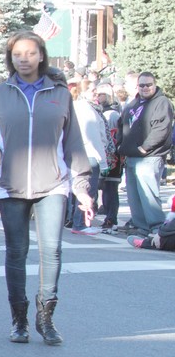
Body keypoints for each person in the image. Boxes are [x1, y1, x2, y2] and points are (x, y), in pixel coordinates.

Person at [0, 31, 94, 346]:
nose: (24, 58)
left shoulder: (59, 93)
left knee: (51, 250)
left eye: (30, 53)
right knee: (16, 252)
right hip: (10, 184)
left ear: (41, 55)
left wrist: (81, 186)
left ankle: (46, 317)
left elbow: (74, 142)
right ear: (10, 58)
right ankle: (19, 319)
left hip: (52, 184)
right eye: (17, 54)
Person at [116, 71, 175, 236]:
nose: (145, 88)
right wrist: (121, 146)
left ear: (154, 85)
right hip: (131, 156)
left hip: (150, 156)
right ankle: (142, 227)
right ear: (137, 86)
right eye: (142, 85)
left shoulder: (162, 102)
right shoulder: (133, 104)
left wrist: (145, 147)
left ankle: (157, 228)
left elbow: (162, 129)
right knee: (134, 196)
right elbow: (122, 126)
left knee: (148, 194)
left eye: (149, 84)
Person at [69, 81, 108, 235]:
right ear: (82, 91)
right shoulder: (86, 109)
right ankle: (81, 223)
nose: (96, 93)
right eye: (92, 90)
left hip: (77, 153)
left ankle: (74, 220)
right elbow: (94, 137)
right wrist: (103, 161)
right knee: (86, 190)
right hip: (89, 154)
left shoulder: (74, 106)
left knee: (77, 190)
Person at [96, 84, 123, 231]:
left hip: (113, 156)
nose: (98, 97)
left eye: (101, 94)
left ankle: (111, 218)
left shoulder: (112, 114)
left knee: (110, 188)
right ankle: (107, 216)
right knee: (104, 188)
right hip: (104, 155)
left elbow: (114, 136)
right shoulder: (101, 112)